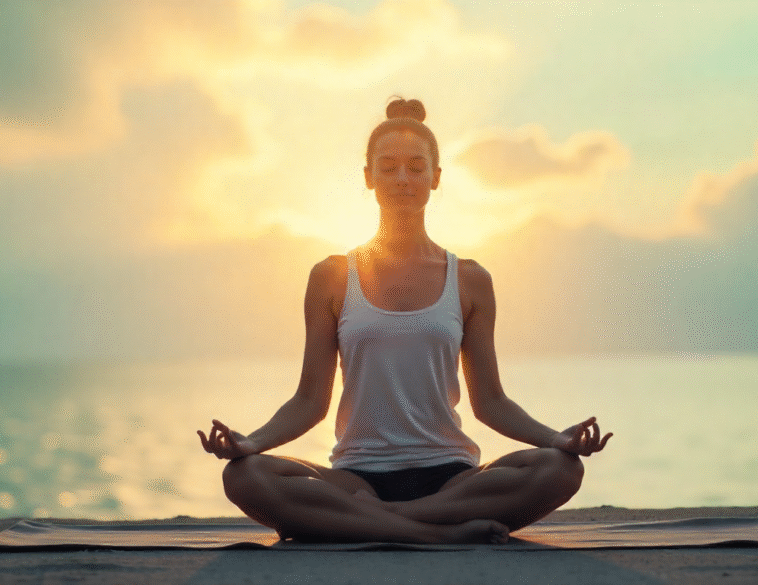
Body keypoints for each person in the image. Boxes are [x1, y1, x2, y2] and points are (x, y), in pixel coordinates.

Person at [197, 98, 612, 544]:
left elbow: (490, 402)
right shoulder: (332, 277)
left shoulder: (470, 280)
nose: (402, 179)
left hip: (451, 479)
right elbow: (309, 401)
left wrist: (557, 439)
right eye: (388, 166)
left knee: (560, 469)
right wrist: (250, 444)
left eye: (416, 167)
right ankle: (436, 536)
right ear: (368, 177)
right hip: (356, 479)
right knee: (245, 476)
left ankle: (383, 521)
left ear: (435, 178)